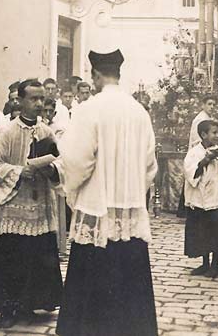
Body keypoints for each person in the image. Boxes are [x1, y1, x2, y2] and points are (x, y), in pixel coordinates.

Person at [56, 49, 158, 336]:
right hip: (128, 215)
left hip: (96, 211)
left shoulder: (89, 109)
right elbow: (150, 165)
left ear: (96, 75)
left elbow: (77, 161)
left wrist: (70, 189)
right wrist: (132, 192)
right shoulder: (139, 112)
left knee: (91, 294)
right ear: (118, 74)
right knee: (129, 293)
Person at [0, 79, 62, 329]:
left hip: (40, 204)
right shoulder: (7, 132)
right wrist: (18, 172)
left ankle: (29, 304)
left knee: (36, 257)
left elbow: (60, 161)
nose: (39, 104)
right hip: (13, 206)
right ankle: (8, 307)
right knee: (13, 257)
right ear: (20, 100)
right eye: (33, 99)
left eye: (41, 99)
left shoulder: (46, 132)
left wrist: (51, 169)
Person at [183, 120, 218, 278]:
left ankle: (214, 264)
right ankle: (205, 263)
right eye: (214, 132)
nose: (217, 135)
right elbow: (189, 173)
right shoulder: (193, 153)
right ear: (204, 134)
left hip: (217, 198)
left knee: (216, 232)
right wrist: (205, 160)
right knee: (202, 233)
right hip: (199, 199)